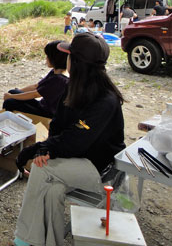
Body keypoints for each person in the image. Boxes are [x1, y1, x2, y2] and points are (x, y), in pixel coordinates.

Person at [13, 32, 125, 246]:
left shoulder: (105, 100)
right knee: (52, 189)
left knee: (42, 170)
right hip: (75, 159)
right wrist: (47, 151)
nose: (67, 60)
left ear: (77, 62)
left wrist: (38, 150)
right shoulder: (72, 87)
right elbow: (58, 128)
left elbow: (75, 141)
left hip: (101, 169)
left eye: (70, 56)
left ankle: (22, 240)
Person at [3, 41, 68, 118]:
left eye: (47, 56)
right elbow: (36, 86)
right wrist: (16, 93)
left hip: (47, 113)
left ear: (54, 59)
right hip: (43, 105)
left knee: (9, 102)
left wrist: (11, 97)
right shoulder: (54, 72)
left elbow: (35, 94)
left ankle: (6, 122)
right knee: (13, 92)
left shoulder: (58, 79)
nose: (46, 59)